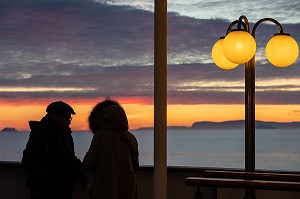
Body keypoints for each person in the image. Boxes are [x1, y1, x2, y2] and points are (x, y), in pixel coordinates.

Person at [22, 101, 86, 199]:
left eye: (70, 119)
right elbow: (29, 159)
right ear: (54, 116)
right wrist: (46, 183)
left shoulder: (65, 135)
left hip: (62, 191)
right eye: (66, 118)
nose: (69, 122)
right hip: (45, 193)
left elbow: (68, 157)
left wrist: (79, 168)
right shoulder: (41, 133)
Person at [83, 98, 139, 199]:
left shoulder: (101, 136)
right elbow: (135, 165)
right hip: (129, 187)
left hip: (105, 187)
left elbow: (89, 163)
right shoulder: (131, 137)